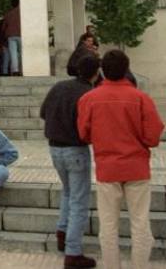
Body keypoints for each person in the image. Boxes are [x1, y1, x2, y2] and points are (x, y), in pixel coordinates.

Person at [77, 50, 164, 269]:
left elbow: (84, 134)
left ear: (102, 70)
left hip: (107, 169)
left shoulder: (89, 99)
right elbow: (153, 137)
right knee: (141, 225)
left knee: (108, 228)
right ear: (126, 69)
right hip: (137, 169)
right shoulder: (141, 98)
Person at [40, 55, 101, 268]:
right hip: (75, 149)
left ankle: (62, 232)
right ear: (96, 73)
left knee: (68, 192)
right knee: (79, 200)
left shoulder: (59, 87)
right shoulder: (88, 93)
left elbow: (43, 113)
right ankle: (73, 251)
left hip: (54, 148)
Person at [1, 0, 21, 76]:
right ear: (19, 3)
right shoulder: (22, 12)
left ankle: (15, 70)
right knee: (21, 53)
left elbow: (3, 27)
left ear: (11, 5)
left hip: (10, 35)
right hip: (20, 34)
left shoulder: (8, 14)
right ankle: (21, 69)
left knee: (13, 54)